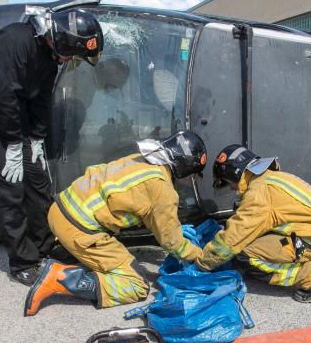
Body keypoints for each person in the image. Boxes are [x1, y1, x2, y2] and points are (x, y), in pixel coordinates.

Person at [0, 8, 103, 285]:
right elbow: (2, 92)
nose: (68, 61)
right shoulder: (15, 39)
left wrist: (36, 138)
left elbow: (40, 100)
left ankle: (45, 246)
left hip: (13, 109)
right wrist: (13, 144)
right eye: (69, 55)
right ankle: (24, 261)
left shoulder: (48, 58)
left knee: (37, 181)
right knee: (7, 184)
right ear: (58, 39)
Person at [23, 130, 207, 315]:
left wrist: (170, 224)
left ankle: (68, 261)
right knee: (136, 284)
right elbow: (171, 243)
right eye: (191, 175)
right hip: (78, 230)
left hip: (59, 211)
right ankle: (58, 278)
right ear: (183, 168)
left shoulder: (143, 159)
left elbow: (143, 207)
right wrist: (201, 257)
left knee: (111, 258)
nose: (189, 181)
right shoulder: (162, 189)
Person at [195, 145, 311, 303]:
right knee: (248, 241)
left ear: (236, 174)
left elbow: (234, 237)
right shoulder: (267, 178)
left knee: (245, 254)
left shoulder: (259, 193)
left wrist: (202, 264)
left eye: (228, 182)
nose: (230, 187)